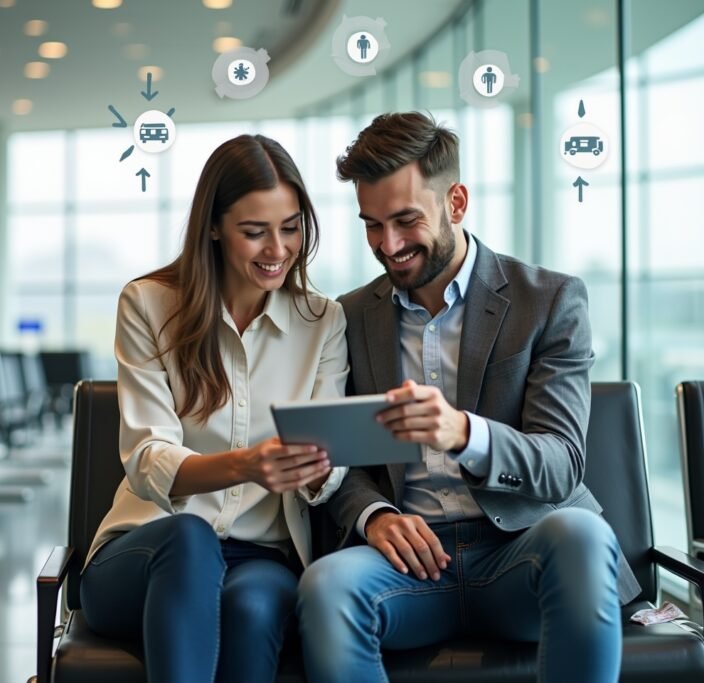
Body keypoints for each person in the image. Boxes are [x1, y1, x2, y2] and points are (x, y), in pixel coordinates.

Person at [297, 112, 641, 683]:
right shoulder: (351, 316)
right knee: (326, 586)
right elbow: (338, 459)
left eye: (406, 221)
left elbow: (560, 464)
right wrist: (374, 516)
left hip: (521, 552)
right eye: (372, 225)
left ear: (455, 201)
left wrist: (463, 432)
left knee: (582, 535)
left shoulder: (548, 301)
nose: (389, 244)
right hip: (408, 567)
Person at [80, 134, 349, 683]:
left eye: (291, 227)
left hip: (261, 559)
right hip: (148, 548)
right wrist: (248, 464)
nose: (278, 249)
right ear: (213, 227)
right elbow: (148, 456)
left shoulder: (324, 322)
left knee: (251, 610)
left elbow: (331, 457)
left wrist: (320, 467)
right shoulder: (148, 304)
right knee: (190, 538)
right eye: (255, 232)